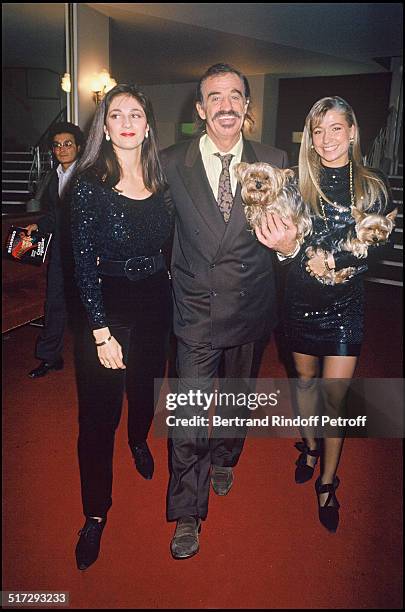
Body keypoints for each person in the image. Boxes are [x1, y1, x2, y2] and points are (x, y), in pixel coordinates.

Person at [161, 63, 298, 559]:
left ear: (247, 108)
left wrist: (287, 248)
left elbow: (291, 233)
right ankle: (187, 513)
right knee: (189, 415)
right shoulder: (170, 161)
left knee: (237, 397)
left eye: (235, 95)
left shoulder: (276, 159)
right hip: (195, 308)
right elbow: (156, 232)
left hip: (250, 303)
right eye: (214, 96)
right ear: (200, 109)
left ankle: (226, 455)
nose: (225, 104)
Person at [258, 96, 393, 533]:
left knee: (336, 398)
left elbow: (380, 247)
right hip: (298, 303)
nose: (327, 138)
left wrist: (334, 262)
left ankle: (329, 481)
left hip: (346, 307)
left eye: (336, 128)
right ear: (310, 139)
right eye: (318, 130)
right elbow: (284, 244)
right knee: (304, 384)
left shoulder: (372, 186)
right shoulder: (296, 184)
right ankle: (310, 445)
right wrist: (290, 253)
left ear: (352, 132)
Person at [70, 84, 173, 570]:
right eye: (117, 114)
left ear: (147, 125)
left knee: (146, 388)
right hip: (107, 306)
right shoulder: (88, 184)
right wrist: (99, 332)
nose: (127, 121)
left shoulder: (162, 179)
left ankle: (138, 439)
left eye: (136, 113)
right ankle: (94, 513)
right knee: (96, 418)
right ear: (105, 126)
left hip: (156, 300)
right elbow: (81, 266)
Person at [26, 122, 84, 378]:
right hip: (61, 252)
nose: (62, 149)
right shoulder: (54, 178)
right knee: (55, 305)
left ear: (79, 147)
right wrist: (37, 225)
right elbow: (56, 214)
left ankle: (103, 359)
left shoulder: (89, 175)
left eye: (68, 143)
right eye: (58, 145)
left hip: (86, 252)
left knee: (94, 307)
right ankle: (50, 357)